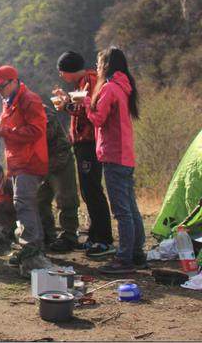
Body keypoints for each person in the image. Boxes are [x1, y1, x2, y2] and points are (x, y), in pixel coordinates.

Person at [85, 47, 146, 274]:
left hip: (113, 154)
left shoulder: (110, 88)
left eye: (99, 63)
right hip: (126, 155)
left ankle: (124, 259)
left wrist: (85, 104)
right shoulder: (124, 87)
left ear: (106, 65)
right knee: (131, 207)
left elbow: (98, 119)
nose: (97, 67)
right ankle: (137, 253)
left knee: (122, 211)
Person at [52, 51, 115, 257]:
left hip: (89, 141)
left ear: (68, 70)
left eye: (62, 71)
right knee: (88, 190)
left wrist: (66, 105)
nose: (61, 75)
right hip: (83, 142)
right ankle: (95, 236)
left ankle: (104, 239)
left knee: (92, 189)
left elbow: (88, 109)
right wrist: (67, 101)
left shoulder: (90, 80)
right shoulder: (84, 81)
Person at [0, 65, 48, 266]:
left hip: (30, 160)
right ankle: (34, 247)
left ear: (14, 81)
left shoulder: (29, 100)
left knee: (23, 203)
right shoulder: (8, 101)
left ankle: (30, 249)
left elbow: (36, 130)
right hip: (17, 160)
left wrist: (5, 132)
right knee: (25, 203)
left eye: (1, 86)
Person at [37, 105, 80, 252]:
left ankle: (69, 236)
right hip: (43, 162)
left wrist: (24, 130)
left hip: (60, 159)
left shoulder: (42, 111)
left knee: (66, 199)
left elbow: (48, 132)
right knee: (40, 199)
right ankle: (48, 234)